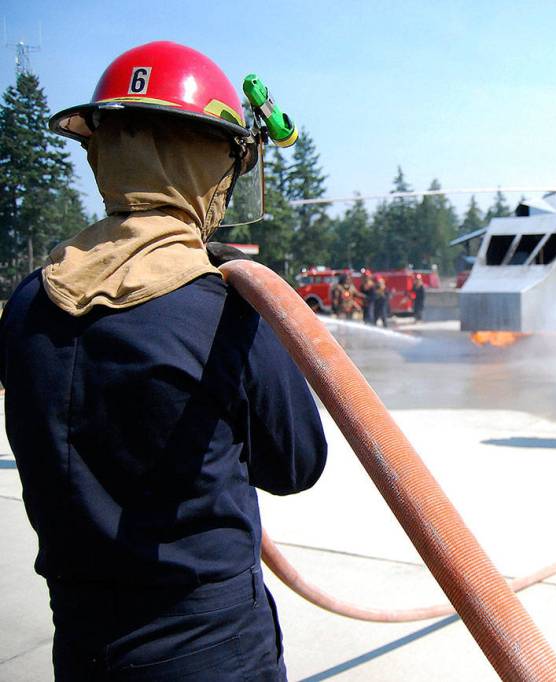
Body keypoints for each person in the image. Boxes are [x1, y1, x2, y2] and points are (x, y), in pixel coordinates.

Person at [0, 41, 328, 681]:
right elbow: (296, 464)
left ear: (105, 150)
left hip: (82, 647)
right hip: (213, 651)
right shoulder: (227, 307)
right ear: (205, 163)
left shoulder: (27, 303)